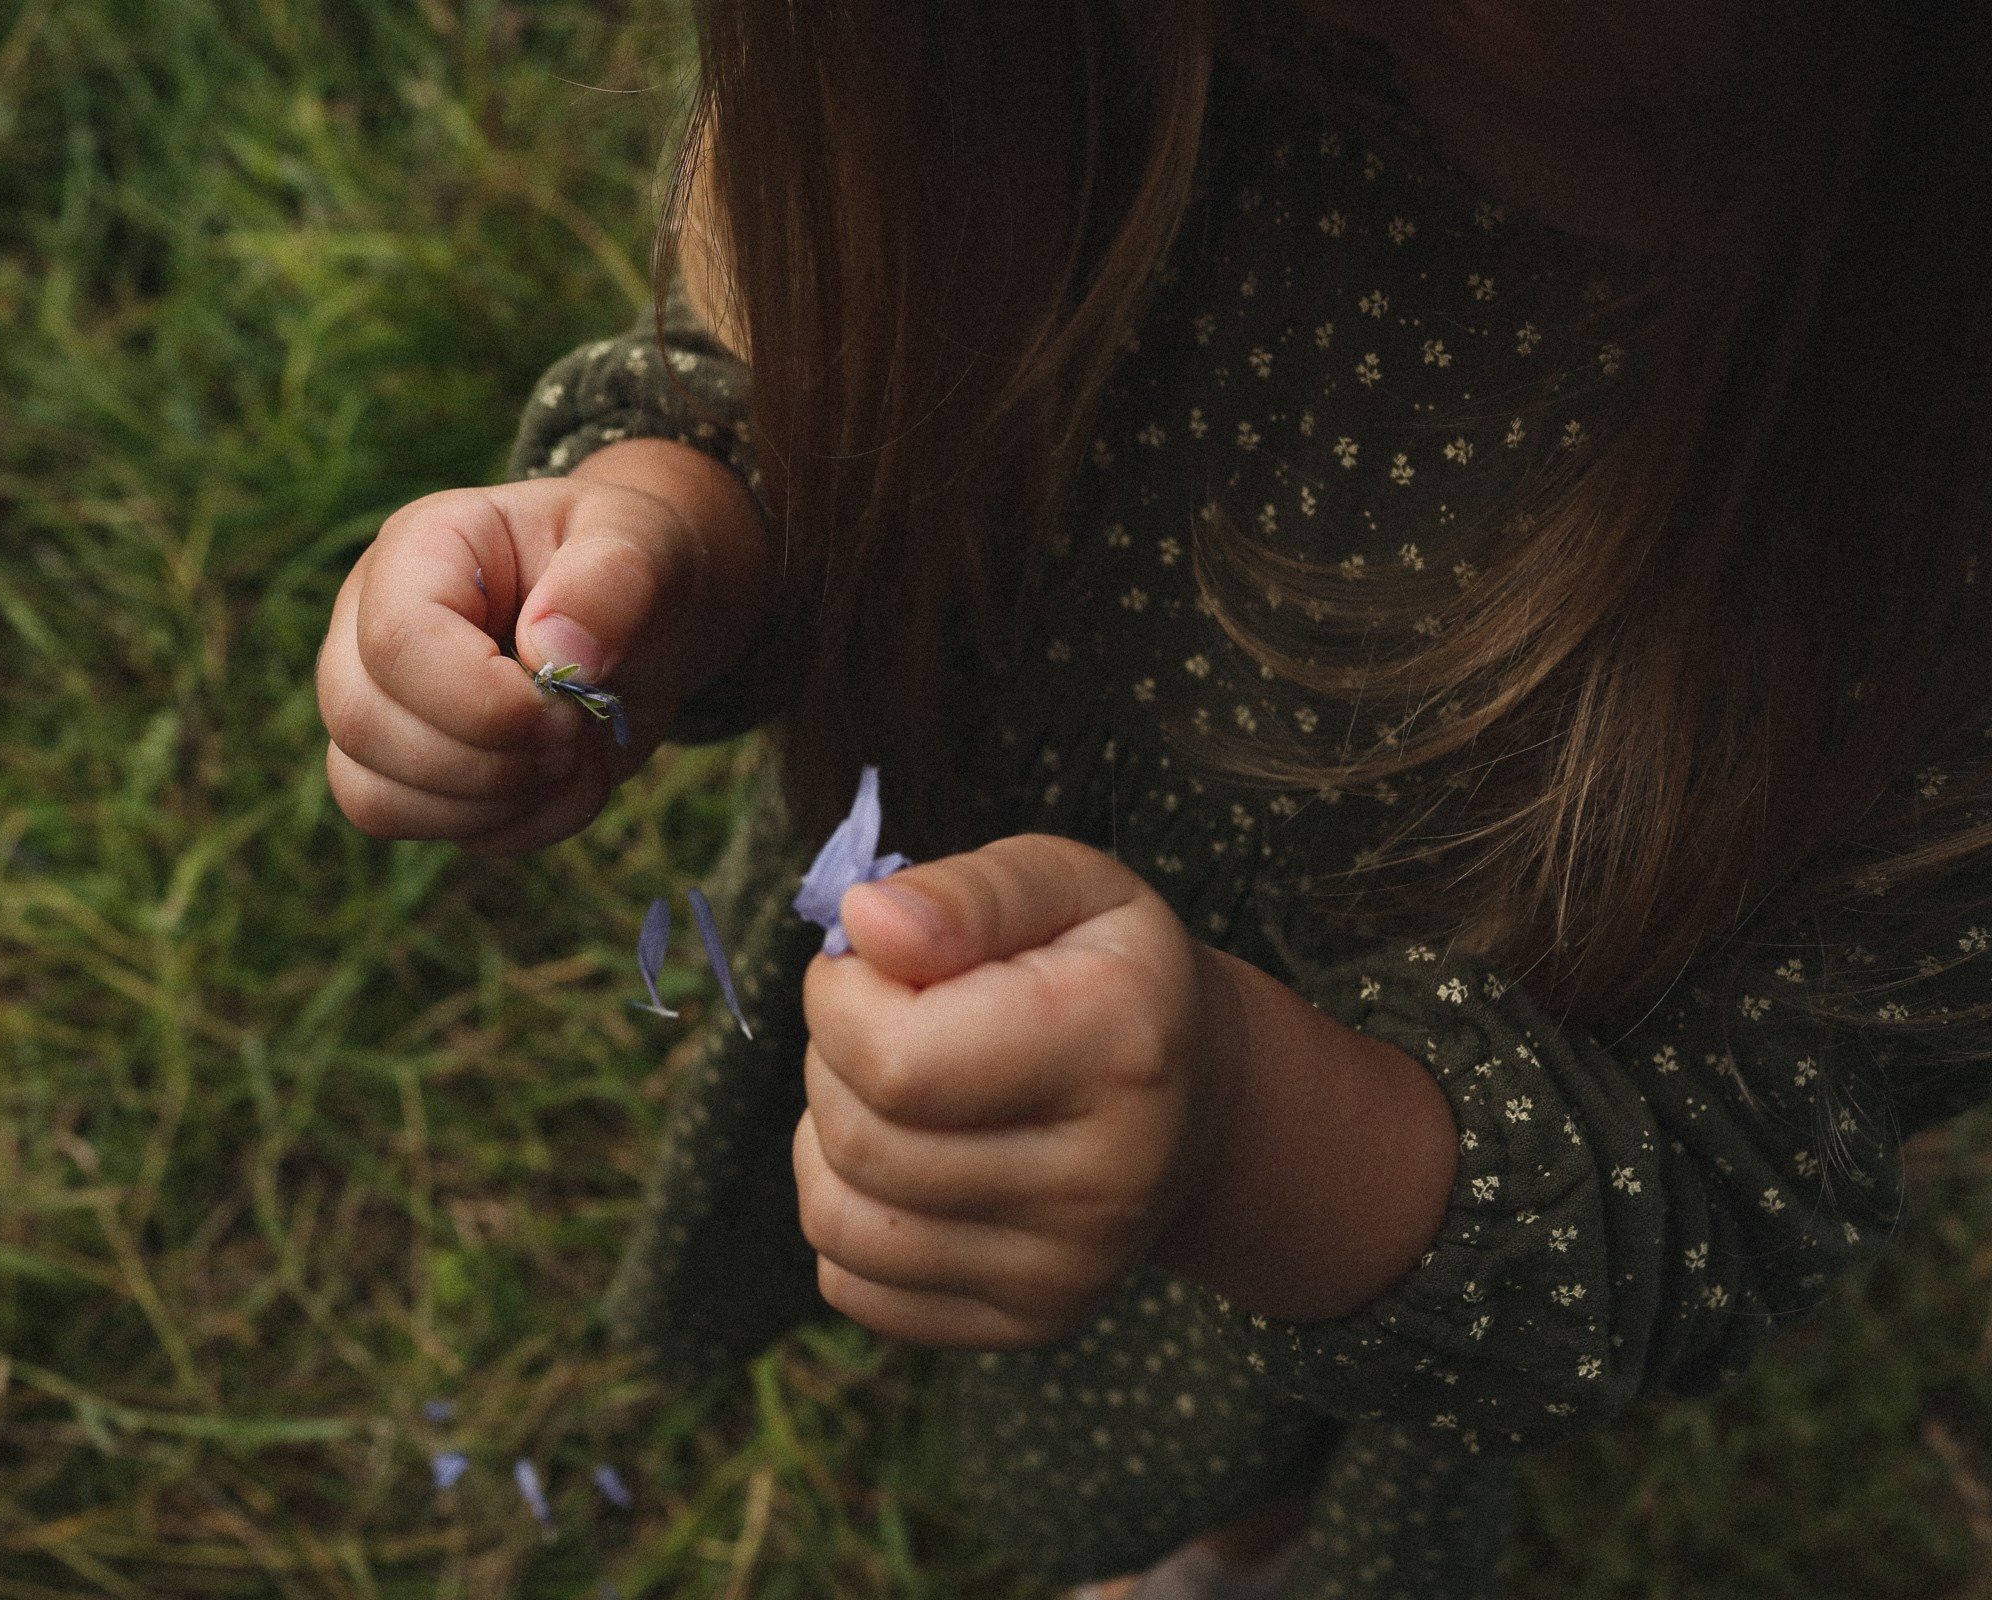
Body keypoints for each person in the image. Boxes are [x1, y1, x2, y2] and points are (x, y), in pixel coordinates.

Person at [315, 0, 1992, 1593]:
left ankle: (1247, 1534)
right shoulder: (1077, 59)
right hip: (969, 831)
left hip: (1368, 1177)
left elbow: (1714, 1179)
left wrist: (1238, 1138)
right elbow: (810, 378)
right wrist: (662, 535)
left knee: (1256, 1429)